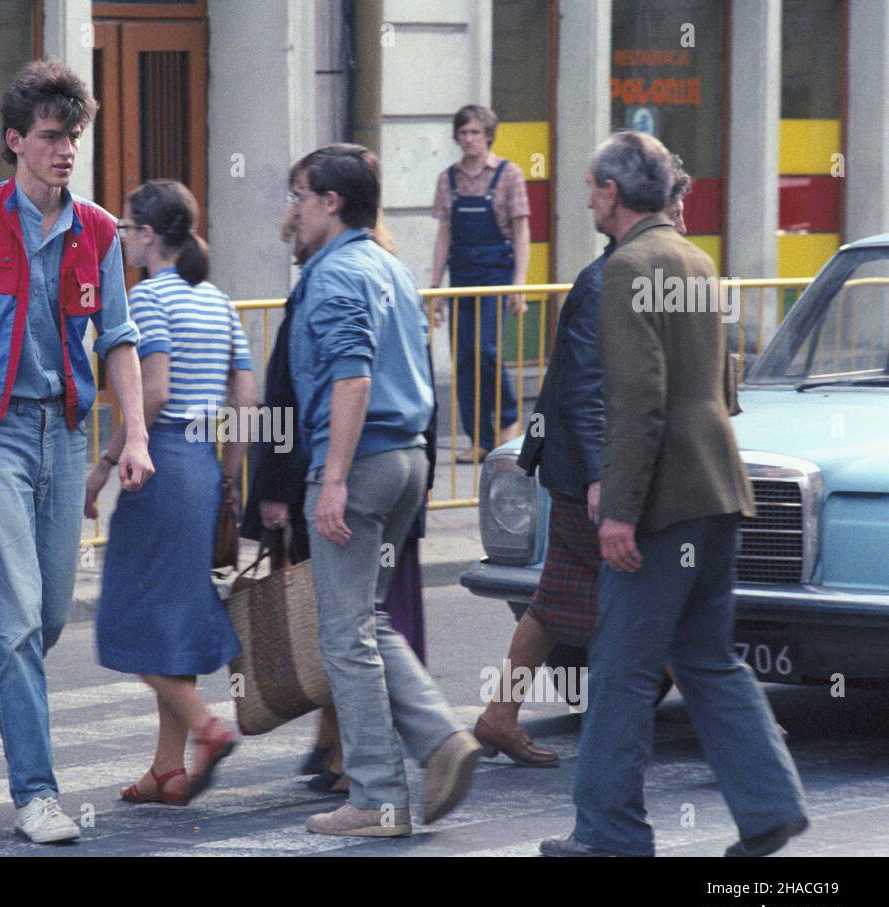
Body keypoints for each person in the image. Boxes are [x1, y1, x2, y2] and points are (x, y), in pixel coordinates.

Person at [540, 131, 808, 858]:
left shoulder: (628, 268)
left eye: (594, 186)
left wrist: (620, 512)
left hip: (662, 503)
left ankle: (607, 833)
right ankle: (769, 805)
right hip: (719, 484)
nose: (588, 198)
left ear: (615, 194)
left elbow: (640, 401)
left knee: (622, 669)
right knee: (707, 658)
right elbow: (724, 384)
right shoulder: (695, 260)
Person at [0, 59, 153, 845]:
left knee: (48, 619)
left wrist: (136, 439)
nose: (65, 151)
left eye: (73, 137)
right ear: (15, 140)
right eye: (51, 138)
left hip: (66, 430)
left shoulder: (95, 229)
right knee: (15, 620)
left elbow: (118, 335)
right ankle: (38, 795)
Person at [287, 144, 482, 838]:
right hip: (406, 458)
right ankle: (442, 741)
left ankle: (375, 797)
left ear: (331, 202)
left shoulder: (337, 273)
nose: (294, 211)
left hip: (361, 461)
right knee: (366, 620)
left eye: (300, 197)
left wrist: (333, 478)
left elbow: (352, 379)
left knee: (343, 636)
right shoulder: (389, 267)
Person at [477, 166, 698, 768]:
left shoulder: (632, 275)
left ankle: (499, 714)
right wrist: (605, 478)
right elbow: (586, 387)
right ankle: (726, 723)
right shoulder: (611, 281)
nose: (684, 224)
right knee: (659, 597)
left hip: (580, 472)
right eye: (677, 211)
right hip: (591, 478)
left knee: (553, 603)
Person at [86, 179, 257, 805]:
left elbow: (151, 393)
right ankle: (165, 768)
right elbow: (247, 399)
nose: (124, 237)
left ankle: (207, 728)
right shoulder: (218, 302)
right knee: (173, 617)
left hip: (155, 465)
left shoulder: (147, 300)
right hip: (203, 467)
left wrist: (107, 461)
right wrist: (230, 476)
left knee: (127, 617)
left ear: (150, 236)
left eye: (128, 228)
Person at [430, 104, 531, 463]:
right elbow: (443, 236)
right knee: (464, 357)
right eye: (463, 133)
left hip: (496, 272)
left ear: (488, 134)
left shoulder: (509, 174)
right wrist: (435, 291)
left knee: (487, 350)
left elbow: (521, 233)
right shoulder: (448, 179)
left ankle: (507, 418)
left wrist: (519, 283)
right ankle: (479, 438)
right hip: (461, 272)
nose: (469, 139)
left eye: (475, 132)